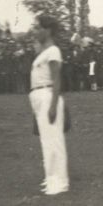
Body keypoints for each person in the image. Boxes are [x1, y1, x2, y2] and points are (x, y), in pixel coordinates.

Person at [29, 14, 69, 195]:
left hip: (47, 95)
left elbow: (56, 80)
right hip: (39, 97)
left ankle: (60, 181)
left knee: (54, 141)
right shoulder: (43, 52)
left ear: (48, 30)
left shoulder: (53, 51)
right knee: (47, 141)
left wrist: (52, 105)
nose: (35, 31)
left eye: (38, 28)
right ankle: (51, 178)